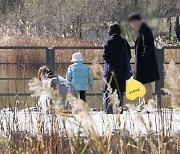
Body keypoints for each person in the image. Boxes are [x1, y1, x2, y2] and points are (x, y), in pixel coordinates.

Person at [128, 13, 160, 111]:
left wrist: (142, 58)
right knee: (144, 85)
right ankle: (144, 104)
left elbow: (148, 46)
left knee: (145, 85)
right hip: (144, 63)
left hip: (145, 64)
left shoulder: (145, 31)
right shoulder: (143, 30)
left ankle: (149, 105)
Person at [102, 23, 132, 114]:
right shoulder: (124, 42)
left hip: (110, 71)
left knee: (108, 91)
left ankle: (108, 110)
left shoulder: (109, 42)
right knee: (119, 92)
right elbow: (129, 56)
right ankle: (119, 110)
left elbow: (105, 56)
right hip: (122, 72)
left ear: (112, 31)